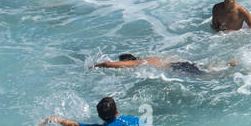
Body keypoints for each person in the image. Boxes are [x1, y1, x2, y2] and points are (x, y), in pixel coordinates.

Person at [41, 96, 148, 126]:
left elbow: (73, 125)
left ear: (99, 116)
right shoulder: (132, 119)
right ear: (117, 111)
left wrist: (56, 119)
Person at [95, 53, 237, 75]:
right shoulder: (150, 58)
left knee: (211, 75)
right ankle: (229, 64)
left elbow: (109, 64)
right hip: (181, 63)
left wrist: (95, 66)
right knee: (208, 69)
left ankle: (233, 68)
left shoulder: (138, 62)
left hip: (177, 67)